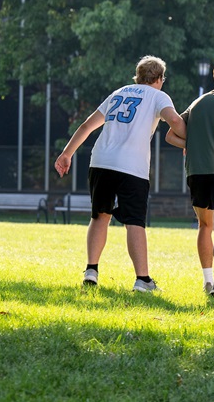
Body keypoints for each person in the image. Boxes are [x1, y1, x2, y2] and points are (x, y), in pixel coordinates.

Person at [54, 56, 186, 291]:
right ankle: (142, 280)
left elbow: (87, 125)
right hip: (131, 166)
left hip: (101, 161)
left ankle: (91, 270)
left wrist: (66, 154)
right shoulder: (158, 95)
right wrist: (192, 140)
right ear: (158, 79)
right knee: (134, 221)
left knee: (99, 216)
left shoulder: (118, 93)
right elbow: (174, 120)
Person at [166, 59, 214, 298]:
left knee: (204, 225)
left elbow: (171, 136)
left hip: (196, 170)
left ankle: (207, 281)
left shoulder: (198, 102)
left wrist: (193, 144)